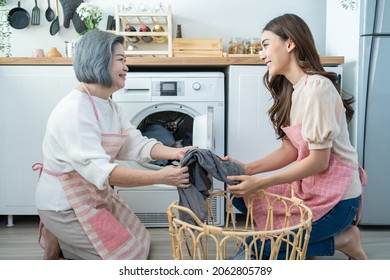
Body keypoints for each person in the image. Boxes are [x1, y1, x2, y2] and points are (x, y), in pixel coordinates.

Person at [34, 30, 192, 260]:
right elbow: (102, 172)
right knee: (127, 260)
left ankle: (66, 243)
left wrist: (177, 152)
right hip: (64, 206)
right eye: (121, 60)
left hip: (92, 195)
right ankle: (57, 234)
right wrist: (161, 177)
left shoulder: (109, 105)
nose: (127, 67)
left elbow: (135, 144)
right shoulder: (75, 110)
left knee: (141, 241)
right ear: (100, 60)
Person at [225, 14, 368, 260]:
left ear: (289, 44)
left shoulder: (318, 88)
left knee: (257, 249)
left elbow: (318, 162)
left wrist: (261, 182)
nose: (261, 55)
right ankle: (304, 244)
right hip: (313, 188)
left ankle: (344, 239)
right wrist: (247, 169)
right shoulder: (295, 90)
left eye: (266, 45)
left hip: (338, 201)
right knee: (240, 197)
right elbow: (289, 150)